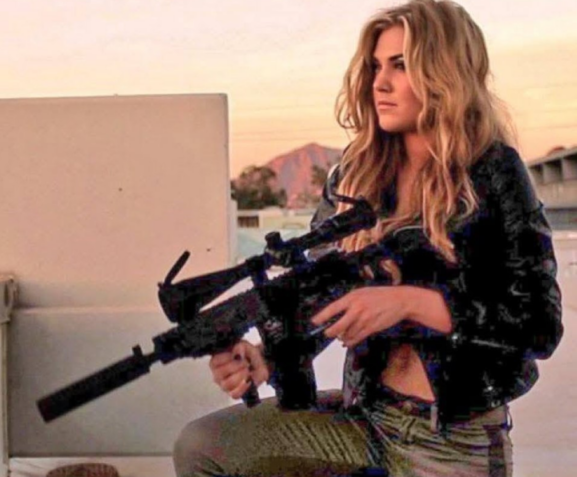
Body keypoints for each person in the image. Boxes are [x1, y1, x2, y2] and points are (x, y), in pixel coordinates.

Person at [173, 0, 563, 476]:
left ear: (445, 72)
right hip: (365, 419)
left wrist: (410, 302)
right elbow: (316, 300)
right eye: (376, 66)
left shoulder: (493, 171)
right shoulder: (354, 177)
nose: (380, 82)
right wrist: (265, 359)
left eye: (400, 65)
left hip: (449, 444)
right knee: (203, 447)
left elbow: (538, 324)